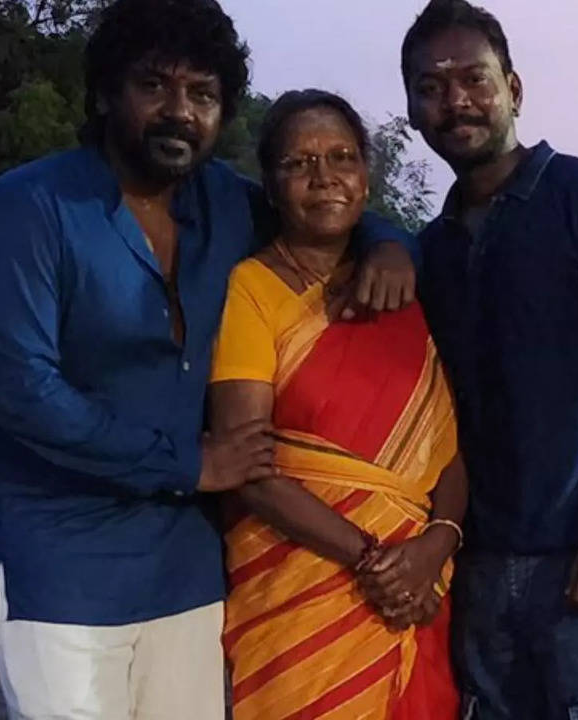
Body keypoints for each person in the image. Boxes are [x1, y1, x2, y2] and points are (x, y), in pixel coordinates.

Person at [0, 1, 418, 718]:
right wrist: (191, 464)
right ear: (105, 94)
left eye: (203, 94)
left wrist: (393, 244)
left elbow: (330, 206)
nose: (180, 111)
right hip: (63, 567)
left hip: (189, 571)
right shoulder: (31, 206)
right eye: (154, 86)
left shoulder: (227, 206)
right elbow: (18, 389)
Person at [401, 2, 578, 718]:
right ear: (410, 108)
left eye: (474, 79)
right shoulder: (431, 249)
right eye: (431, 88)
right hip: (481, 564)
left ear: (515, 89)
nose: (455, 101)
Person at [209, 89, 465, 720]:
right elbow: (250, 466)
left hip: (417, 591)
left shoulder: (403, 285)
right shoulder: (252, 291)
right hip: (299, 595)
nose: (324, 178)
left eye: (342, 158)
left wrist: (434, 549)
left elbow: (450, 452)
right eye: (299, 164)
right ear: (269, 185)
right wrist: (377, 562)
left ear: (365, 176)